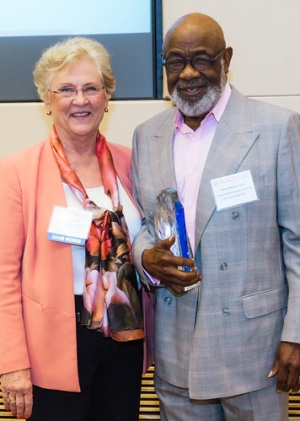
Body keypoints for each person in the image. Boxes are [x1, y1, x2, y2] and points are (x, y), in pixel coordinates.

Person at [131, 12, 300, 421]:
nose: (188, 73)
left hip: (255, 350)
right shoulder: (146, 135)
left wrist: (296, 334)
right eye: (176, 61)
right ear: (164, 65)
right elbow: (142, 224)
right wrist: (144, 258)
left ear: (226, 58)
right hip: (176, 348)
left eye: (202, 59)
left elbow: (296, 239)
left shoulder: (277, 128)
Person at [0, 37, 146, 421]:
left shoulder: (132, 162)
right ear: (47, 102)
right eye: (65, 89)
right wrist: (12, 362)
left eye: (91, 88)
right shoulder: (16, 171)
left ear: (107, 97)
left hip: (126, 340)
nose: (79, 99)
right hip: (52, 347)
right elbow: (4, 277)